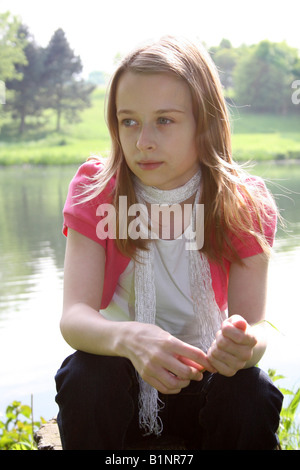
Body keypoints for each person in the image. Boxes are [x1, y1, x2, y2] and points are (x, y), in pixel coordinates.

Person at [55, 36, 283, 450]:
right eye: (129, 121)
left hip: (205, 380)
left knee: (250, 390)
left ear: (205, 121)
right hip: (123, 381)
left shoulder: (243, 202)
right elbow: (74, 315)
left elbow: (254, 324)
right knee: (85, 376)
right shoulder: (97, 190)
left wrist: (244, 346)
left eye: (164, 120)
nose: (143, 141)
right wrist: (131, 339)